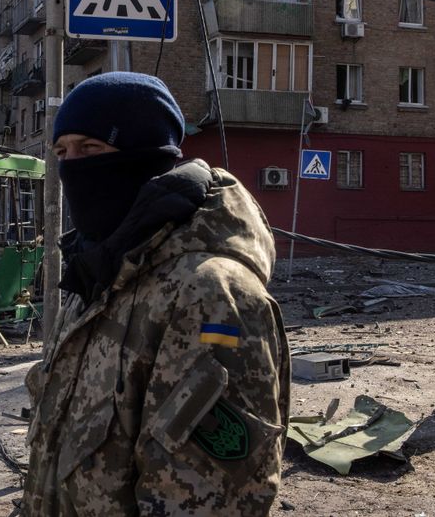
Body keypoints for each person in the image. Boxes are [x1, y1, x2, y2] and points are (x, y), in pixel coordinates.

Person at [23, 72, 290, 516]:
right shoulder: (97, 273)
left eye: (91, 149)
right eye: (62, 151)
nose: (73, 167)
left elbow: (209, 499)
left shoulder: (210, 295)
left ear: (149, 158)